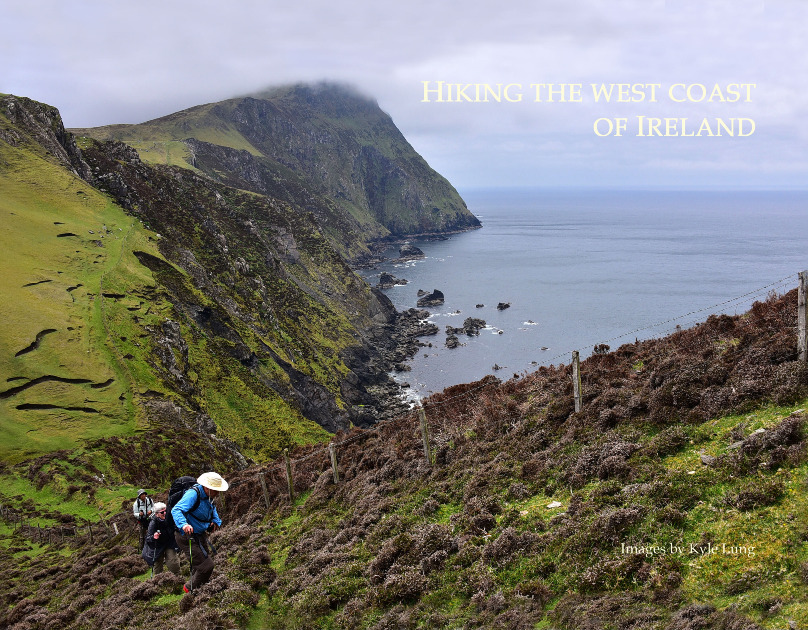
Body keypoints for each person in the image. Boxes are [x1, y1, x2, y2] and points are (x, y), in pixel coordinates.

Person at [172, 472, 228, 594]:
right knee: (206, 566)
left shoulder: (209, 497)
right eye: (215, 490)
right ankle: (189, 589)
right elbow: (176, 510)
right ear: (207, 487)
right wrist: (184, 524)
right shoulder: (193, 494)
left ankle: (199, 590)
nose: (218, 493)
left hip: (200, 534)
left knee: (201, 562)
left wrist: (216, 521)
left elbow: (212, 508)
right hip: (186, 536)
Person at [141, 502, 181, 576]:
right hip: (158, 545)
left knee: (173, 562)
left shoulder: (170, 518)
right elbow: (148, 538)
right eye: (162, 512)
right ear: (157, 514)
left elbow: (176, 527)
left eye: (166, 511)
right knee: (158, 564)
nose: (165, 513)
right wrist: (154, 537)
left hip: (169, 543)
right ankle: (157, 580)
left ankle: (177, 578)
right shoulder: (153, 523)